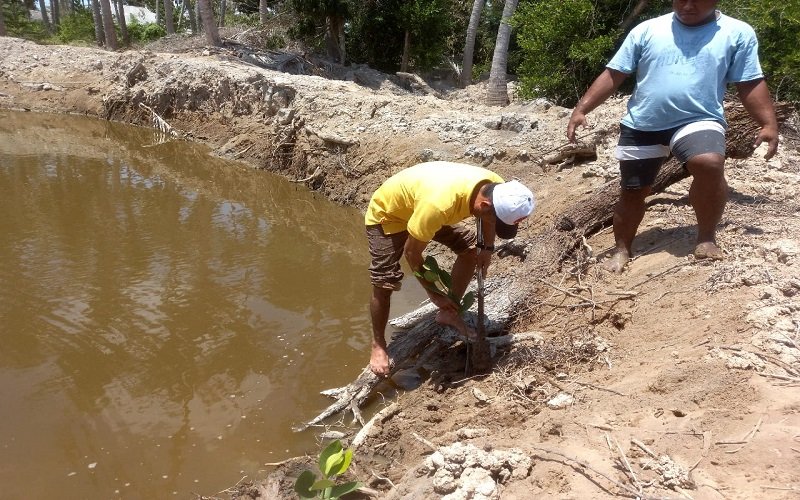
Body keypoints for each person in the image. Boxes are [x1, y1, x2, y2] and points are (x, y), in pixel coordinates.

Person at [567, 0, 779, 273]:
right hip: (643, 123)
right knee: (633, 190)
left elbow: (749, 81)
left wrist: (768, 123)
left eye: (696, 1)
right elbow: (614, 73)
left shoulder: (736, 32)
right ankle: (622, 249)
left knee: (709, 163)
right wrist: (582, 108)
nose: (687, 6)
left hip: (698, 118)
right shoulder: (647, 30)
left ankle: (705, 238)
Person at [364, 161, 535, 376]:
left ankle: (449, 313)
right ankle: (378, 344)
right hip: (389, 215)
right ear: (484, 206)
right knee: (384, 281)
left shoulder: (498, 188)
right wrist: (434, 294)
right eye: (496, 219)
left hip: (423, 207)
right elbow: (412, 253)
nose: (495, 223)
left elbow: (490, 220)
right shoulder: (438, 206)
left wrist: (487, 250)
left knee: (472, 251)